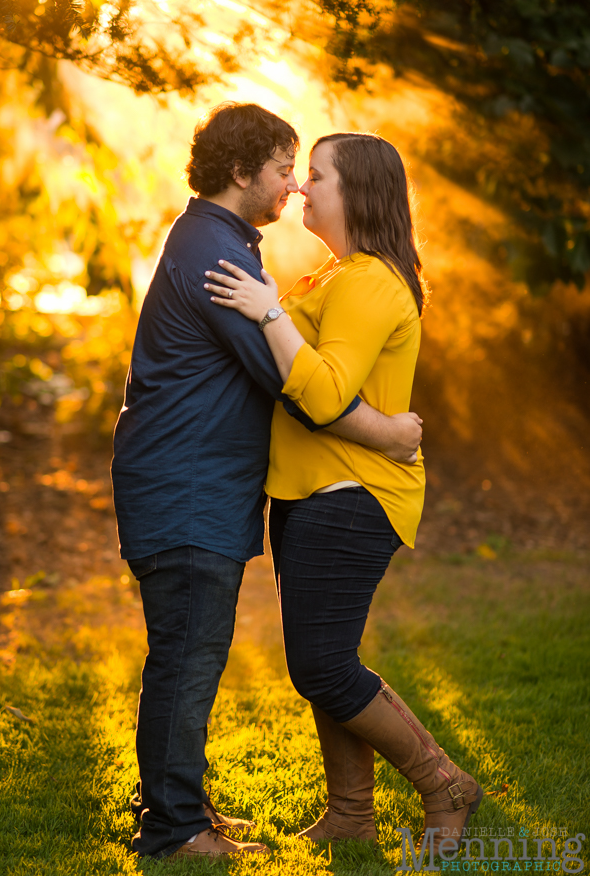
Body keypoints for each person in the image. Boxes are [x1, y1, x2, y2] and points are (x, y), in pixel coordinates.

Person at [111, 106, 424, 861]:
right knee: (186, 658)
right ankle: (175, 829)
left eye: (304, 172)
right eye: (286, 169)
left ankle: (181, 808)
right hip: (189, 485)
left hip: (193, 482)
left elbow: (291, 362)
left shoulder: (214, 242)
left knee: (186, 655)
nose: (292, 185)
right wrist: (388, 432)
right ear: (242, 171)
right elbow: (292, 384)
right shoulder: (219, 254)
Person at [203, 131, 483, 853]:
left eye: (315, 176)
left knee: (321, 664)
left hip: (352, 494)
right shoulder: (332, 275)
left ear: (355, 192)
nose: (298, 188)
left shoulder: (366, 283)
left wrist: (266, 312)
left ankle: (442, 784)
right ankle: (351, 816)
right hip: (310, 492)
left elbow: (324, 393)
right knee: (328, 657)